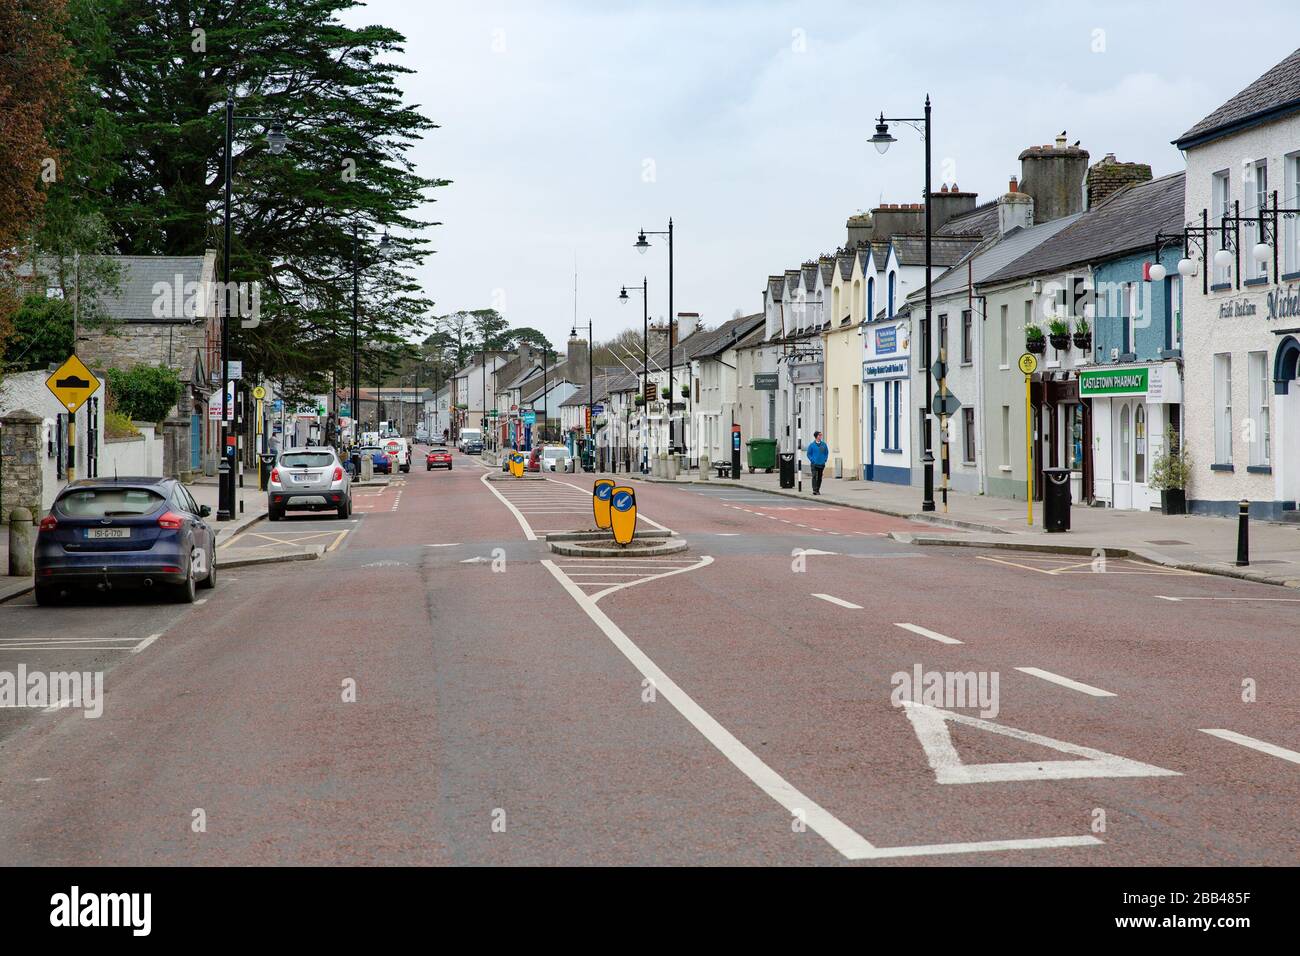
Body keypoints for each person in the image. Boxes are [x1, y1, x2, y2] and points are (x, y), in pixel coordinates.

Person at [807, 430, 829, 495]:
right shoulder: (812, 445)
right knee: (814, 476)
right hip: (814, 464)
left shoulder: (823, 444)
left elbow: (826, 453)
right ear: (816, 436)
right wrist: (812, 460)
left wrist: (825, 459)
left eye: (821, 435)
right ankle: (814, 490)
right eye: (819, 435)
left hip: (821, 464)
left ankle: (818, 489)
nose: (821, 436)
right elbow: (809, 454)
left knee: (819, 477)